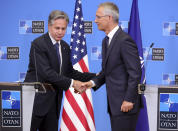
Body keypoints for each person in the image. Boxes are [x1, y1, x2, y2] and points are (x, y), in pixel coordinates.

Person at [24, 10, 95, 131]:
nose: (60, 32)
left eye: (63, 28)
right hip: (35, 102)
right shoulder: (38, 44)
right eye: (57, 28)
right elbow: (46, 73)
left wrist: (95, 76)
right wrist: (73, 83)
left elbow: (69, 72)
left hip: (54, 103)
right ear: (49, 26)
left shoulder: (65, 47)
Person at [82, 2, 142, 131]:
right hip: (115, 105)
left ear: (109, 18)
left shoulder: (124, 40)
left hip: (126, 105)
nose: (95, 20)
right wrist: (91, 83)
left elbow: (135, 73)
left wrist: (129, 99)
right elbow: (107, 72)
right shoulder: (106, 41)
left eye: (98, 17)